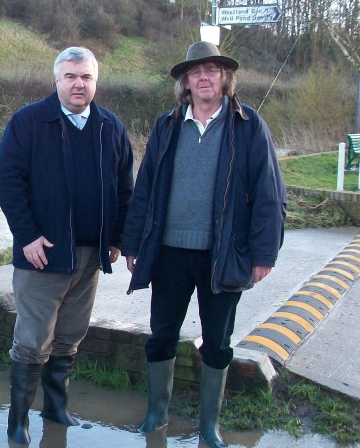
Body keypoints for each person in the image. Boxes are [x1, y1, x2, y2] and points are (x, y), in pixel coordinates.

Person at [119, 41, 286, 448]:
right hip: (170, 254)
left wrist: (264, 254)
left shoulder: (248, 125)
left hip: (222, 256)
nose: (204, 77)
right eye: (196, 72)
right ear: (185, 82)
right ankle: (157, 413)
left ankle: (208, 426)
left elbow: (270, 194)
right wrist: (132, 244)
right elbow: (145, 189)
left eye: (212, 70)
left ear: (224, 78)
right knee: (161, 335)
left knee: (218, 342)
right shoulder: (167, 125)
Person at [0, 46, 135, 445]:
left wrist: (119, 239)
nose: (78, 83)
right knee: (33, 340)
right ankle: (17, 423)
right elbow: (6, 179)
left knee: (70, 335)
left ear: (95, 82)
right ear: (56, 80)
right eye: (70, 76)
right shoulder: (29, 121)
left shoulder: (111, 126)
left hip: (91, 255)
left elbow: (125, 189)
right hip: (43, 254)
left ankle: (56, 410)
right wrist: (27, 234)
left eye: (86, 77)